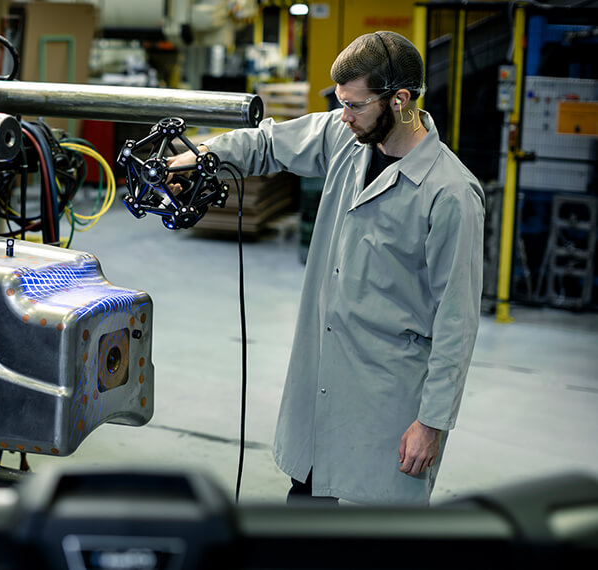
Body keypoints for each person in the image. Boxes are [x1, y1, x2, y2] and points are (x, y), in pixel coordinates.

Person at [169, 31, 484, 505]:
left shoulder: (450, 194)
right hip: (321, 383)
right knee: (307, 514)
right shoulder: (346, 138)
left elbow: (457, 322)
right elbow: (268, 144)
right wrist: (202, 157)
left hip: (389, 402)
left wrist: (432, 423)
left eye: (355, 105)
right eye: (341, 103)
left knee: (370, 535)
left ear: (400, 101)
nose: (344, 115)